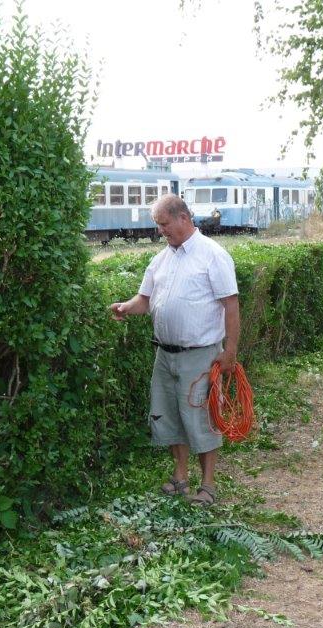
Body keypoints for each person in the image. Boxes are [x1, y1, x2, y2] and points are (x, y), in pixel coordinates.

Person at [109, 194, 240, 506]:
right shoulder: (162, 258)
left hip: (201, 355)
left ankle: (208, 486)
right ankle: (180, 476)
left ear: (183, 218)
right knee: (168, 416)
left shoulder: (213, 255)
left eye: (164, 224)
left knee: (202, 418)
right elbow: (145, 300)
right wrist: (127, 307)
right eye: (157, 226)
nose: (161, 231)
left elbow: (231, 306)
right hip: (164, 355)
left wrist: (231, 351)